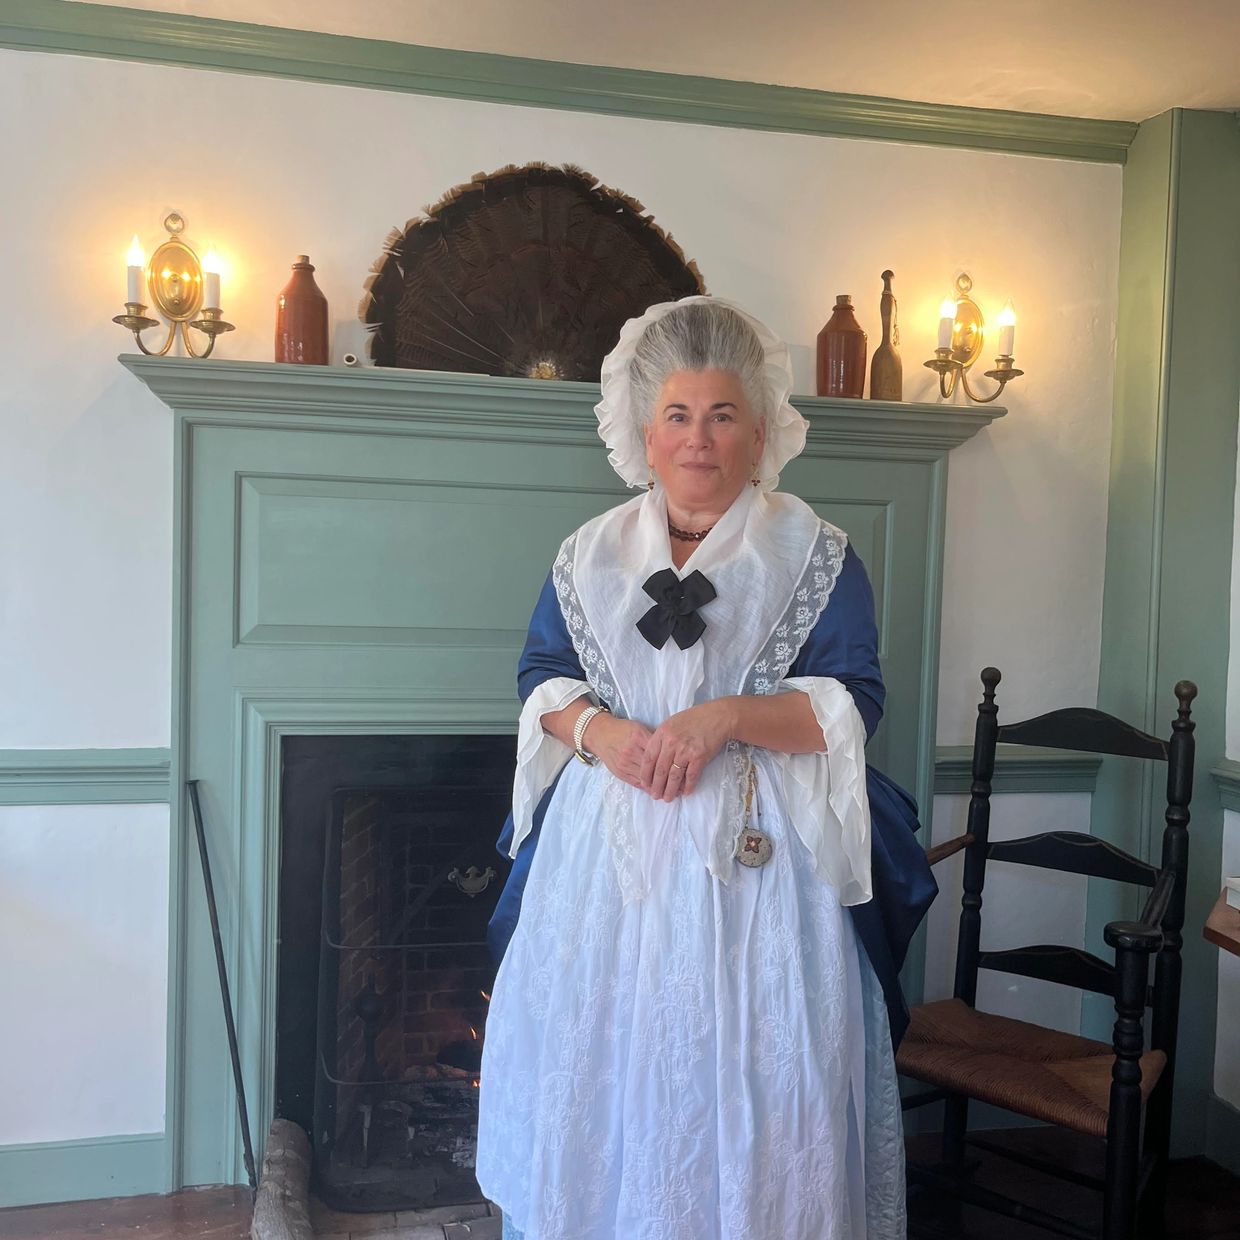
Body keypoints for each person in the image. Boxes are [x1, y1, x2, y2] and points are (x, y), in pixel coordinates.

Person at [476, 296, 936, 1239]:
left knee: (765, 1084)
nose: (700, 439)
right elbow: (542, 677)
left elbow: (854, 703)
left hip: (762, 872)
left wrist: (727, 716)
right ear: (643, 435)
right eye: (679, 417)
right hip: (610, 870)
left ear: (760, 431)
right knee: (606, 1069)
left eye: (722, 415)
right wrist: (600, 733)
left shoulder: (814, 555)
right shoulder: (590, 556)